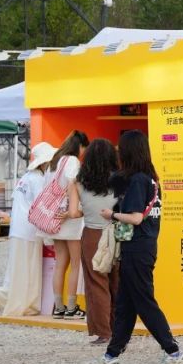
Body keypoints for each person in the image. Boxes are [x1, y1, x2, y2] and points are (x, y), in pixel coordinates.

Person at [88, 130, 183, 364]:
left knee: (144, 303)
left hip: (137, 248)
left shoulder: (137, 181)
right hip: (145, 246)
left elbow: (134, 218)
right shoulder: (152, 180)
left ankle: (173, 352)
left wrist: (111, 214)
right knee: (125, 305)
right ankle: (111, 355)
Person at [0, 143, 54, 317]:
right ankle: (15, 301)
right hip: (30, 230)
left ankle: (1, 296)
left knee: (16, 270)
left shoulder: (25, 177)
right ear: (45, 162)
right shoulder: (38, 180)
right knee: (28, 271)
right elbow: (42, 206)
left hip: (17, 229)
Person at [77, 139, 120, 344]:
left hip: (92, 235)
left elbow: (74, 211)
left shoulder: (78, 182)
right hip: (118, 233)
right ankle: (120, 329)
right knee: (118, 283)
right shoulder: (123, 180)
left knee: (96, 283)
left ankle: (104, 332)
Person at [48, 130, 89, 320]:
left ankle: (58, 307)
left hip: (55, 217)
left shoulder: (54, 161)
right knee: (75, 263)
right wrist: (74, 209)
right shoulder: (72, 161)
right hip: (70, 218)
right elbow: (75, 185)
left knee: (60, 263)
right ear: (80, 146)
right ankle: (71, 307)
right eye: (84, 148)